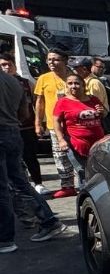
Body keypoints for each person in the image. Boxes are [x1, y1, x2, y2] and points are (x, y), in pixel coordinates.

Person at [1, 69, 67, 253]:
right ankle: (49, 220)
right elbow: (24, 113)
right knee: (19, 181)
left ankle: (5, 239)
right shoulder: (13, 81)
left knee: (5, 187)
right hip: (13, 131)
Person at [33, 48, 76, 198]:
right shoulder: (43, 78)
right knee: (60, 156)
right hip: (54, 125)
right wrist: (38, 123)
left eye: (56, 59)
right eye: (49, 59)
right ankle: (67, 186)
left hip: (75, 124)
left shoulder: (73, 78)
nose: (52, 62)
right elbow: (40, 102)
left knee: (79, 154)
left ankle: (84, 182)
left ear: (65, 61)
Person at [0, 53, 45, 194]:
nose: (7, 67)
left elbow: (34, 104)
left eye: (9, 64)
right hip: (14, 128)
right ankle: (44, 214)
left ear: (14, 65)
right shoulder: (14, 83)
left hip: (22, 127)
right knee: (17, 177)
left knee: (29, 158)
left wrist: (37, 123)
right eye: (3, 65)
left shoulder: (23, 83)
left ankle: (38, 183)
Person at [53, 74, 105, 186]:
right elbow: (56, 121)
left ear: (83, 85)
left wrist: (101, 111)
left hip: (97, 144)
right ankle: (85, 198)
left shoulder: (93, 99)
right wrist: (61, 140)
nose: (73, 86)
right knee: (83, 173)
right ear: (66, 86)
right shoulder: (63, 102)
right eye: (70, 83)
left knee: (98, 172)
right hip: (76, 144)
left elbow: (103, 114)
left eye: (76, 83)